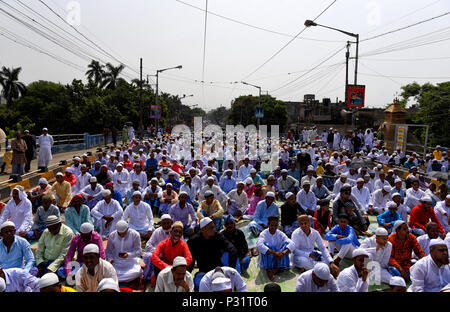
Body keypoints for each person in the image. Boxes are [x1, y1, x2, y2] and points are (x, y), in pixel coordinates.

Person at [187, 217, 238, 290]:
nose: (214, 230)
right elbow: (191, 261)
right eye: (211, 228)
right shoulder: (193, 241)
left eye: (214, 227)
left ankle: (232, 279)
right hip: (205, 272)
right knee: (198, 284)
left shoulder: (218, 236)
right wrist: (186, 275)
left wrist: (231, 271)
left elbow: (232, 250)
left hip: (220, 269)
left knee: (229, 254)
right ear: (203, 230)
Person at [256, 216, 295, 281]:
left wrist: (282, 253)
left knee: (287, 245)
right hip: (268, 257)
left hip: (278, 257)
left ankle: (276, 269)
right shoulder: (263, 234)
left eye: (275, 225)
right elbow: (259, 245)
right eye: (272, 225)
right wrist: (274, 253)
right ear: (268, 225)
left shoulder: (280, 233)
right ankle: (269, 269)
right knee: (265, 247)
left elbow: (292, 243)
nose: (274, 227)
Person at [143, 214, 173, 282]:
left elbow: (181, 245)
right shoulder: (157, 232)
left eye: (168, 223)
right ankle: (150, 275)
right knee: (148, 256)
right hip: (159, 256)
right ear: (161, 224)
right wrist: (159, 252)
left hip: (171, 257)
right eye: (164, 223)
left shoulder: (175, 231)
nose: (166, 225)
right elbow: (148, 245)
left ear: (171, 222)